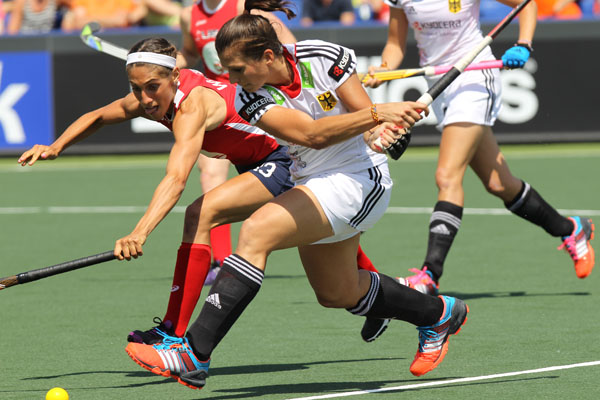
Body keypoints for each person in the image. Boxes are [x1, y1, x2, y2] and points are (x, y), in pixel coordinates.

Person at [124, 0, 470, 390]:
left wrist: (381, 131)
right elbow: (311, 135)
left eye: (237, 69)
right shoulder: (247, 97)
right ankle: (438, 314)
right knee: (337, 292)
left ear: (267, 56)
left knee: (256, 231)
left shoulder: (324, 56)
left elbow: (365, 117)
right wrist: (378, 115)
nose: (232, 79)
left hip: (359, 179)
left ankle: (193, 353)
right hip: (310, 181)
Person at [17, 35, 392, 349]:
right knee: (326, 243)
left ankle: (172, 333)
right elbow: (98, 116)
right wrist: (56, 146)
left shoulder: (192, 107)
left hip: (282, 158)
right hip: (257, 163)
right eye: (136, 89)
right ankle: (381, 301)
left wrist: (140, 232)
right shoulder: (149, 98)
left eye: (152, 87)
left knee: (201, 213)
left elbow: (176, 179)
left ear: (174, 76)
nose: (145, 99)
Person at [362, 0, 595, 297]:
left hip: (474, 77)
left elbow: (526, 5)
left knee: (447, 176)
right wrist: (384, 69)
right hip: (439, 84)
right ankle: (570, 230)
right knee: (499, 183)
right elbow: (395, 44)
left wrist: (524, 44)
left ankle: (430, 275)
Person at [178, 0, 297, 284]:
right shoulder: (188, 15)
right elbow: (190, 54)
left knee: (304, 187)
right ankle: (222, 261)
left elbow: (291, 49)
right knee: (210, 177)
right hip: (217, 109)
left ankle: (359, 267)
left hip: (256, 103)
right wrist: (161, 67)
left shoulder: (242, 7)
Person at [61, 0, 147, 30]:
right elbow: (79, 23)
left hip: (119, 43)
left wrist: (90, 19)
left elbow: (121, 21)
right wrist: (111, 20)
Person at [6, 0, 70, 34]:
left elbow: (73, 5)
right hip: (26, 43)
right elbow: (12, 31)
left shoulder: (54, 1)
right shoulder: (21, 2)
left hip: (47, 43)